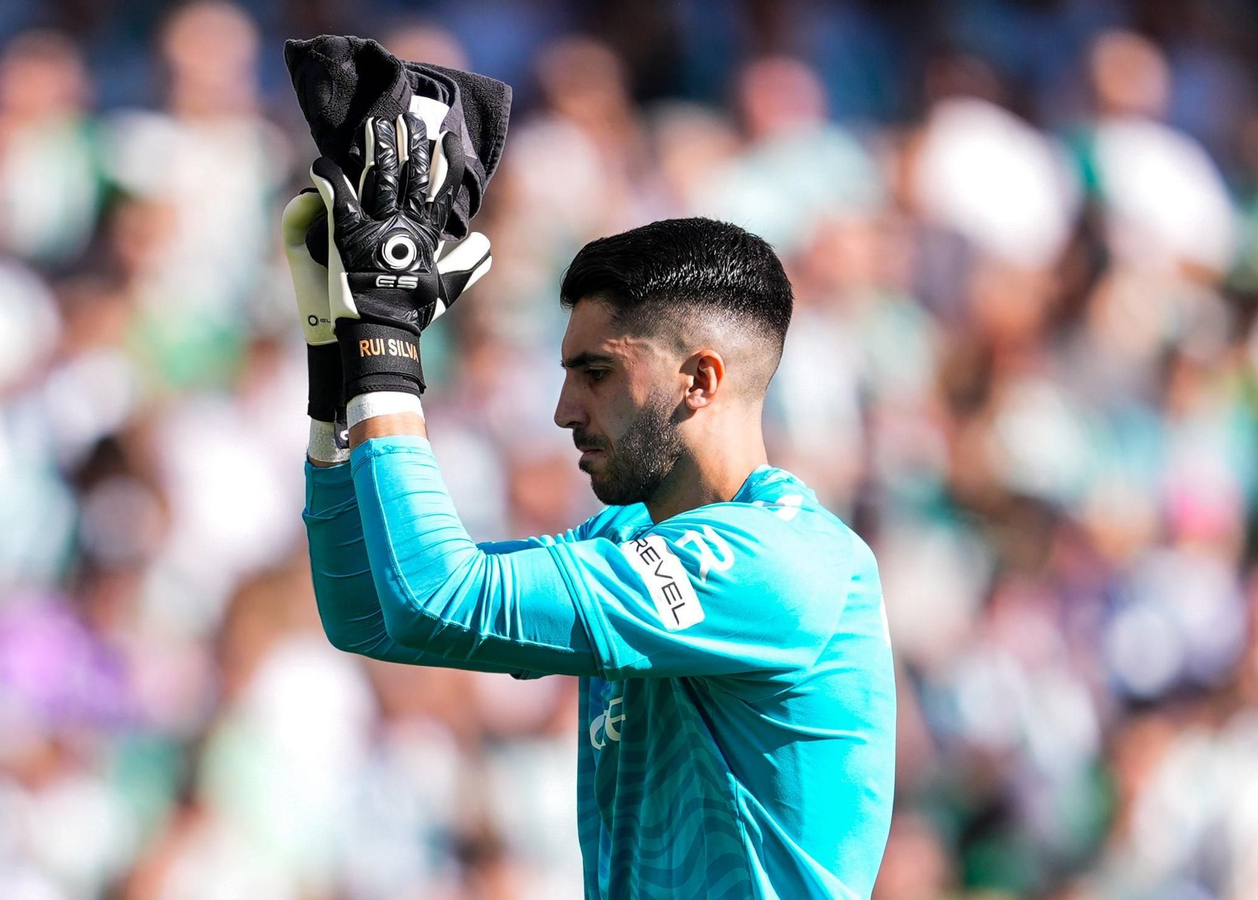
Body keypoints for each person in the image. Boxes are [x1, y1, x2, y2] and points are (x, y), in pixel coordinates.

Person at [288, 112, 895, 898]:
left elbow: (434, 592)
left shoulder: (781, 565)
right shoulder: (627, 539)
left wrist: (386, 351)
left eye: (597, 373)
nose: (564, 409)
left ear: (700, 381)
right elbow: (372, 612)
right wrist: (340, 372)